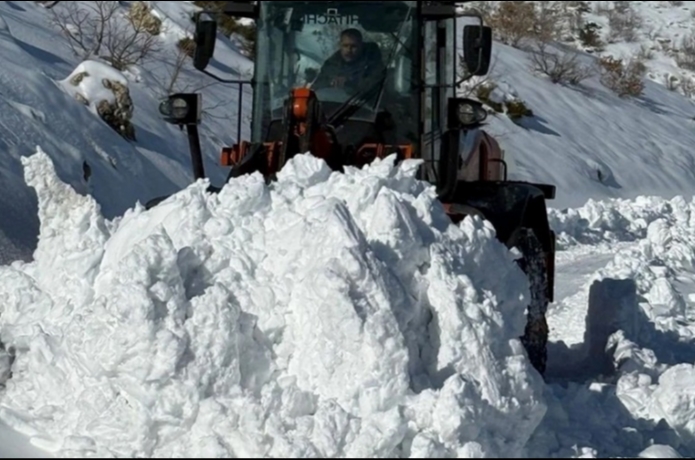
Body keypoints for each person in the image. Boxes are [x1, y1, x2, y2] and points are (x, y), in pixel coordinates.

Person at [311, 28, 385, 92]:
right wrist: (330, 82)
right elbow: (316, 88)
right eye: (345, 46)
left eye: (353, 46)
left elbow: (376, 85)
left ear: (361, 46)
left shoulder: (372, 62)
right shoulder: (331, 65)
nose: (349, 50)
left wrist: (349, 81)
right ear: (340, 45)